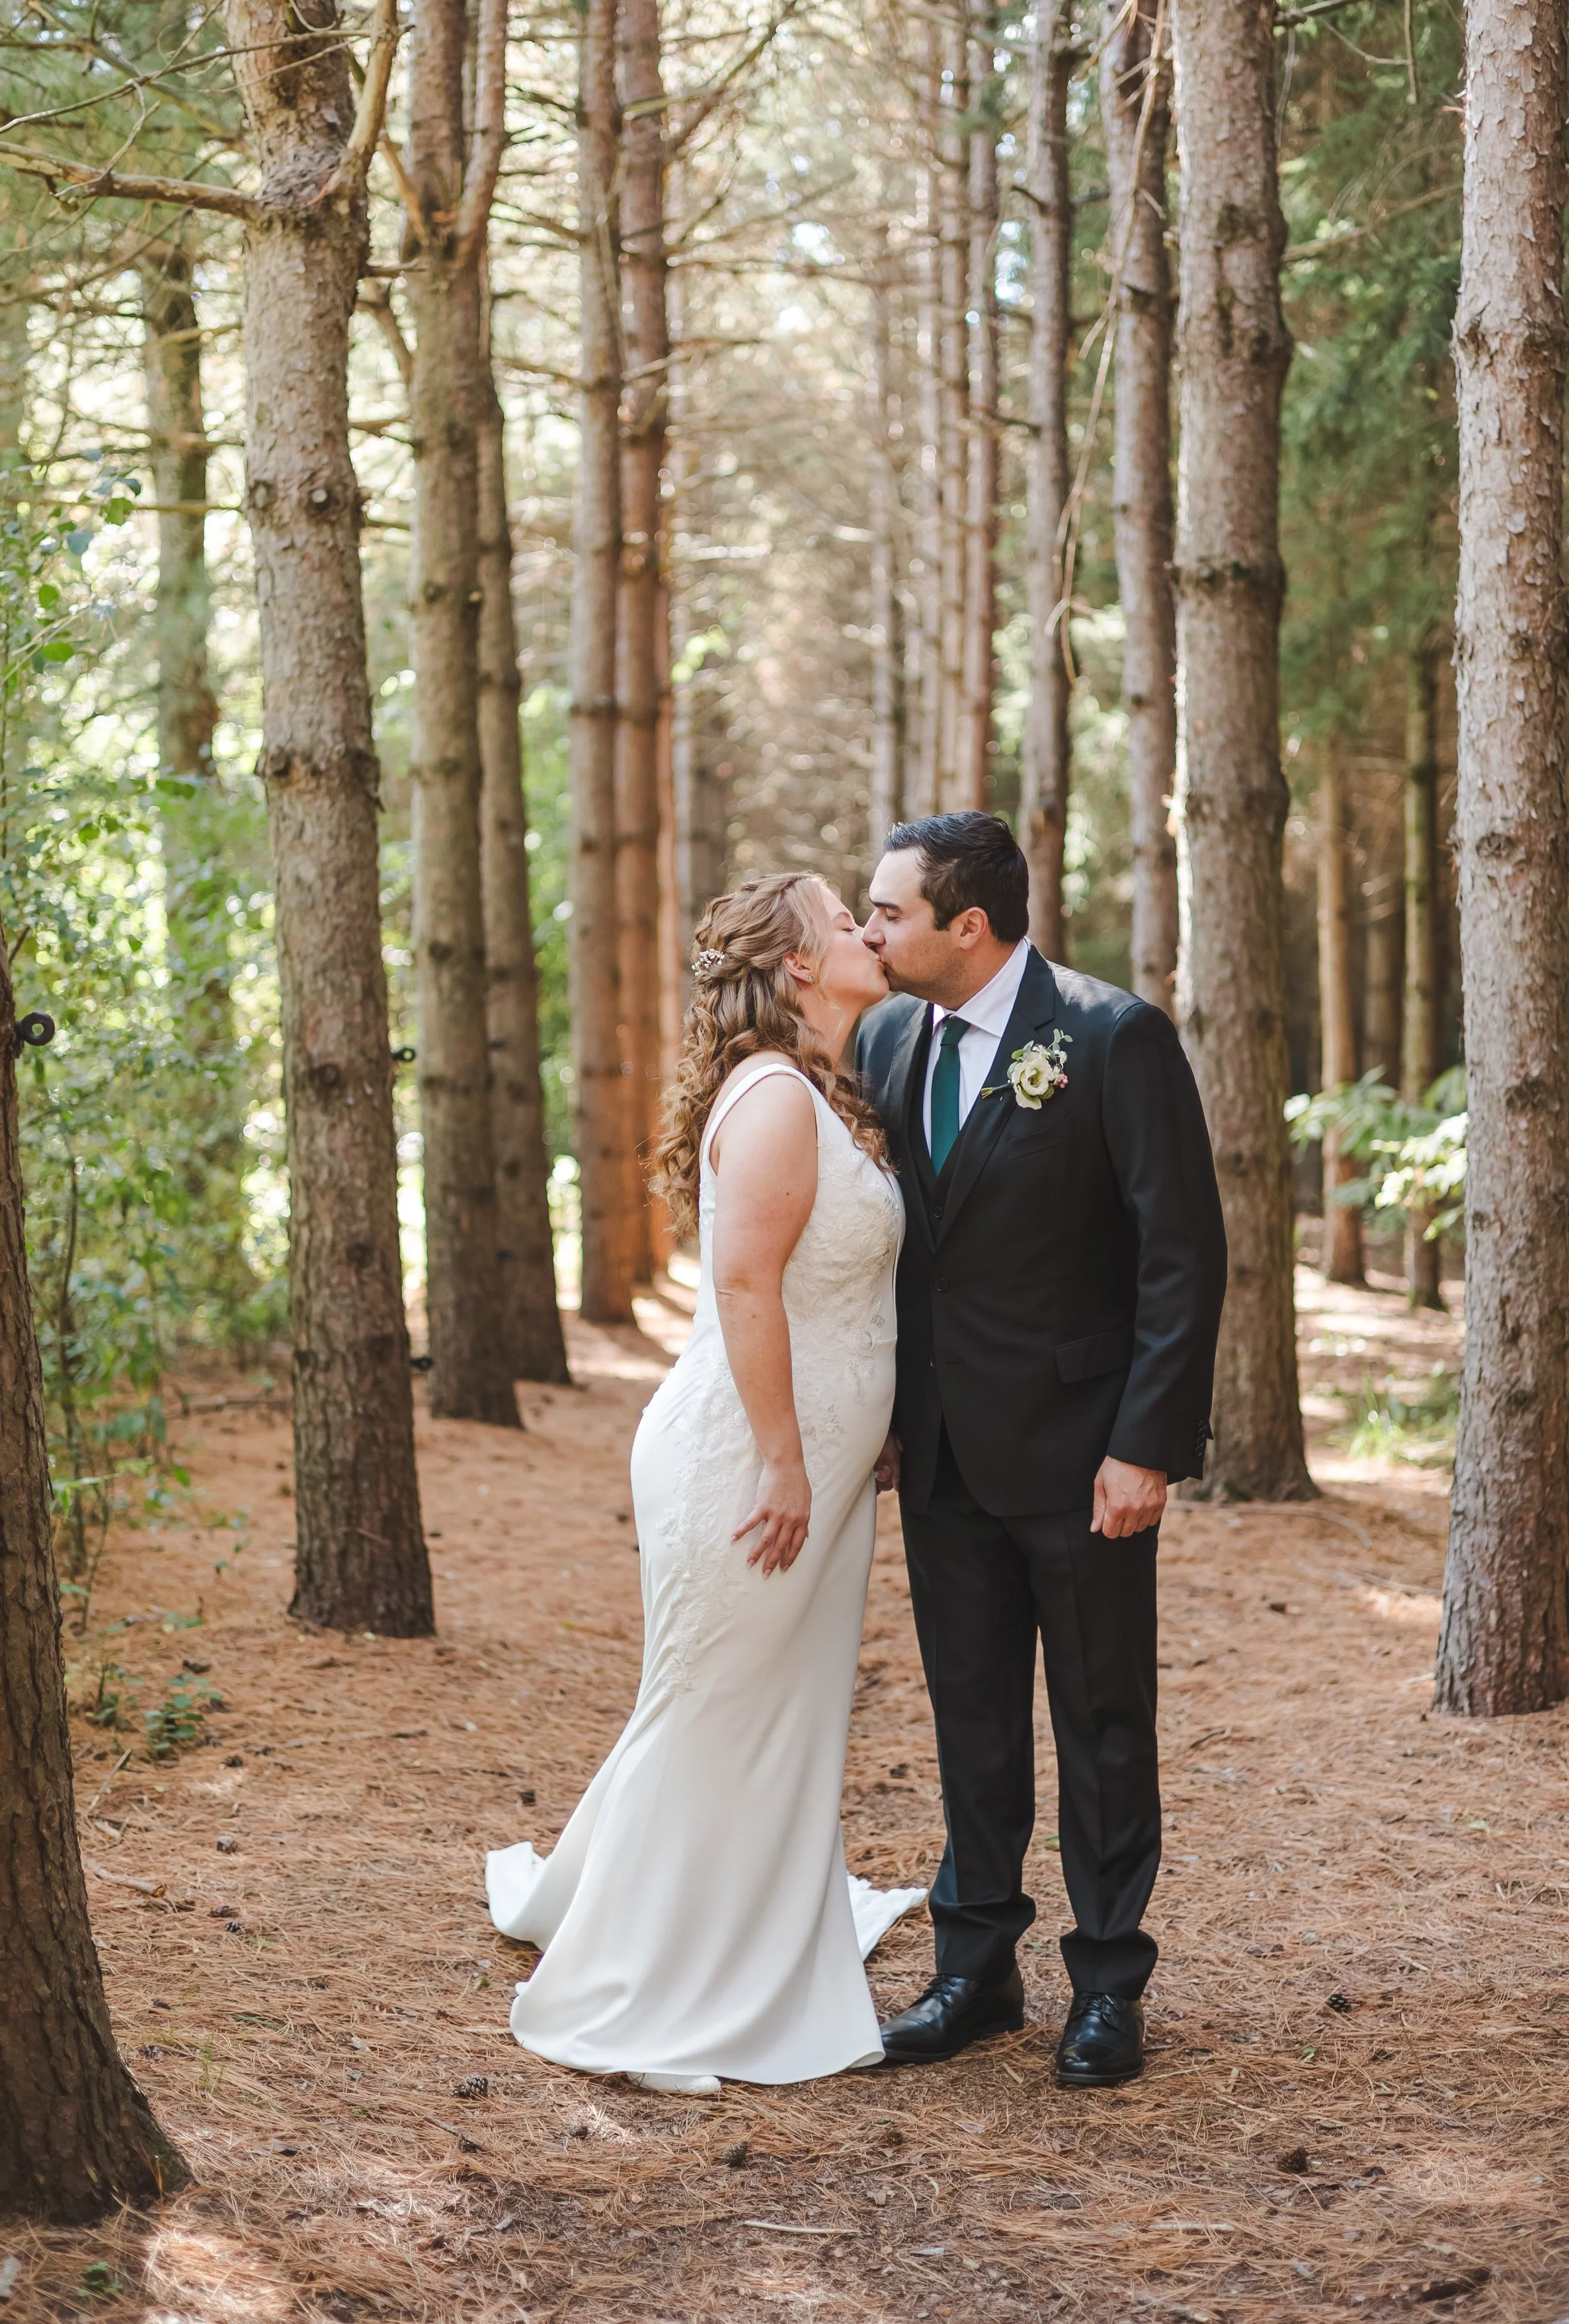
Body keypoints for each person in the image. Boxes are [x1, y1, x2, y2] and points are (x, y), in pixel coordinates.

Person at [485, 871, 924, 2093]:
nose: (866, 932)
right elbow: (742, 1288)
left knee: (777, 1703)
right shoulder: (777, 1097)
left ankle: (748, 1928)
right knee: (718, 1699)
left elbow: (839, 1293)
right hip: (749, 1458)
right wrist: (787, 1456)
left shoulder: (825, 1092)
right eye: (845, 920)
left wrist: (867, 1428)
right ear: (794, 966)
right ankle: (659, 1964)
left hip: (821, 1460)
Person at [857, 811, 1227, 2087]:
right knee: (969, 1718)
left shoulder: (1111, 1036)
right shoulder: (890, 1034)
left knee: (1103, 1720)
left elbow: (1183, 1255)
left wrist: (1148, 1445)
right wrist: (889, 1414)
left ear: (969, 924)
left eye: (890, 910)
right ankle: (976, 1970)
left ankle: (1110, 1981)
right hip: (944, 1454)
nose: (871, 930)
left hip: (1085, 1457)